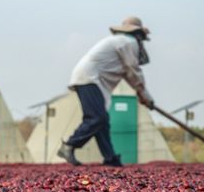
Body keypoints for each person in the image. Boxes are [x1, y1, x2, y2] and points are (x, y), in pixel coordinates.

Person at [58, 16, 154, 167]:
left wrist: (142, 94)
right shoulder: (128, 42)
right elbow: (133, 71)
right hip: (89, 78)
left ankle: (111, 159)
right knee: (97, 118)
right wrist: (145, 95)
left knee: (102, 122)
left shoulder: (119, 42)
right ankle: (69, 145)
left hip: (91, 80)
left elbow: (128, 75)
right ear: (138, 35)